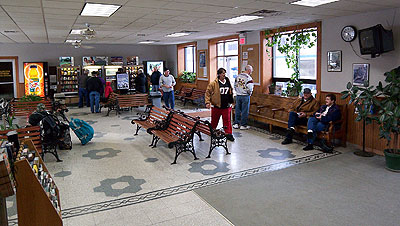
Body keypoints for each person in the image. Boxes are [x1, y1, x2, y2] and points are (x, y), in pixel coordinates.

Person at [205, 68, 235, 142]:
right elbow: (207, 93)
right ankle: (212, 131)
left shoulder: (228, 82)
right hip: (217, 106)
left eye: (225, 73)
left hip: (226, 106)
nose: (224, 74)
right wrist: (207, 102)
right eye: (222, 73)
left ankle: (228, 134)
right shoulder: (213, 83)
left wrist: (232, 101)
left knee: (227, 121)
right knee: (214, 120)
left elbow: (231, 92)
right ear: (219, 74)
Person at [233, 65, 254, 130]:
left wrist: (238, 91)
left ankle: (236, 123)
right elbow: (250, 88)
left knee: (237, 110)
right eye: (251, 71)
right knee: (245, 110)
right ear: (249, 70)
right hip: (245, 96)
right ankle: (243, 125)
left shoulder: (238, 76)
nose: (251, 72)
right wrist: (249, 93)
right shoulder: (249, 78)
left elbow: (235, 85)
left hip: (238, 95)